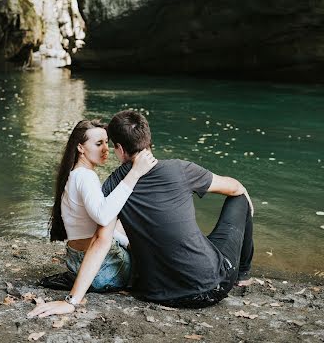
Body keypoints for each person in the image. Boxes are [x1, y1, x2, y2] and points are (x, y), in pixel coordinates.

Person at [28, 111, 253, 318]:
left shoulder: (114, 184)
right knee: (239, 198)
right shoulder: (181, 169)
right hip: (212, 287)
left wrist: (72, 301)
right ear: (147, 138)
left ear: (119, 149)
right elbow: (233, 188)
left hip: (158, 293)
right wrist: (245, 194)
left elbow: (101, 241)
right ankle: (242, 275)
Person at [42, 119, 157, 294]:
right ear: (80, 148)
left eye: (106, 142)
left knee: (118, 223)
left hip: (76, 262)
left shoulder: (73, 174)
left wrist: (126, 243)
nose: (105, 149)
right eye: (98, 143)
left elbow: (101, 224)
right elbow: (103, 216)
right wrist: (134, 173)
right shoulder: (86, 177)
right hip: (104, 272)